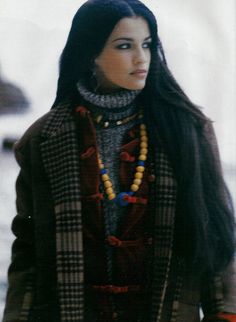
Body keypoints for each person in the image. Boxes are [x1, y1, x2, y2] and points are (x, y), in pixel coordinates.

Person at [3, 0, 236, 321]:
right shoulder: (44, 139)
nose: (141, 58)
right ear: (91, 55)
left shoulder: (188, 130)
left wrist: (225, 313)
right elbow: (28, 254)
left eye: (147, 45)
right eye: (124, 46)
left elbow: (218, 238)